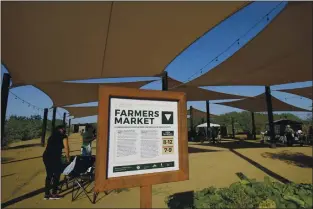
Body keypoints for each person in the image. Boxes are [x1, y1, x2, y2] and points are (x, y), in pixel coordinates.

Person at [43, 125, 70, 200]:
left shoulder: (51, 137)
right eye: (64, 129)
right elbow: (66, 148)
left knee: (49, 175)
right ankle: (54, 194)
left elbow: (48, 147)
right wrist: (68, 158)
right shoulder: (63, 137)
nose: (65, 130)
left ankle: (47, 194)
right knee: (57, 174)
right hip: (55, 157)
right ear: (60, 130)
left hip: (46, 156)